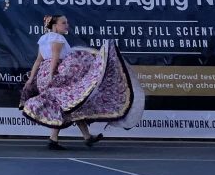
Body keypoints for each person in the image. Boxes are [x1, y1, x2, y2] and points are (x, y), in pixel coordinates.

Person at [20, 14, 143, 150]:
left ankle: (78, 138)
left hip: (43, 75)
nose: (67, 25)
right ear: (55, 26)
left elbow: (39, 60)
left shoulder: (43, 39)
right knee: (71, 103)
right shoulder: (58, 38)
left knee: (71, 106)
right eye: (64, 23)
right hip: (56, 75)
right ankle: (69, 139)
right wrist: (51, 76)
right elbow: (55, 58)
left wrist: (32, 79)